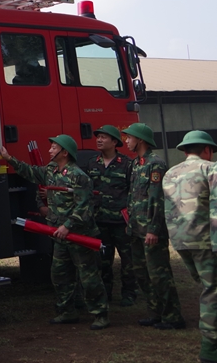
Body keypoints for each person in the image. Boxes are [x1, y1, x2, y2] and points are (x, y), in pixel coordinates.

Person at [0, 135, 109, 330]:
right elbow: (31, 172)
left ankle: (99, 314)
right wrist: (9, 159)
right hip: (59, 236)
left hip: (79, 236)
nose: (49, 151)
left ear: (64, 153)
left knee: (89, 277)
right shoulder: (50, 170)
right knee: (59, 275)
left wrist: (67, 226)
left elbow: (84, 207)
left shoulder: (78, 176)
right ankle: (66, 312)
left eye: (53, 148)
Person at [162, 130, 217, 362]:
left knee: (206, 287)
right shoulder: (209, 168)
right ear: (206, 150)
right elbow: (216, 206)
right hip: (205, 239)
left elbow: (168, 209)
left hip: (180, 240)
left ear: (185, 150)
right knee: (213, 291)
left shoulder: (169, 173)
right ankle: (210, 348)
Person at [122, 122, 185, 330]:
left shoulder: (155, 164)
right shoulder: (136, 164)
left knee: (159, 274)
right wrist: (130, 224)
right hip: (136, 230)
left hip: (150, 231)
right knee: (142, 273)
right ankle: (155, 312)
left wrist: (153, 229)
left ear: (140, 139)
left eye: (129, 137)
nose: (126, 140)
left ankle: (173, 316)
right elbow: (133, 196)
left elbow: (156, 199)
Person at [86, 125, 136, 306]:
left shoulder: (127, 164)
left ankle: (129, 294)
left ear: (115, 142)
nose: (99, 140)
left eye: (103, 137)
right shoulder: (92, 163)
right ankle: (106, 293)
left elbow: (133, 191)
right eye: (98, 137)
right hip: (101, 222)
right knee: (103, 261)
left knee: (128, 260)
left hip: (121, 222)